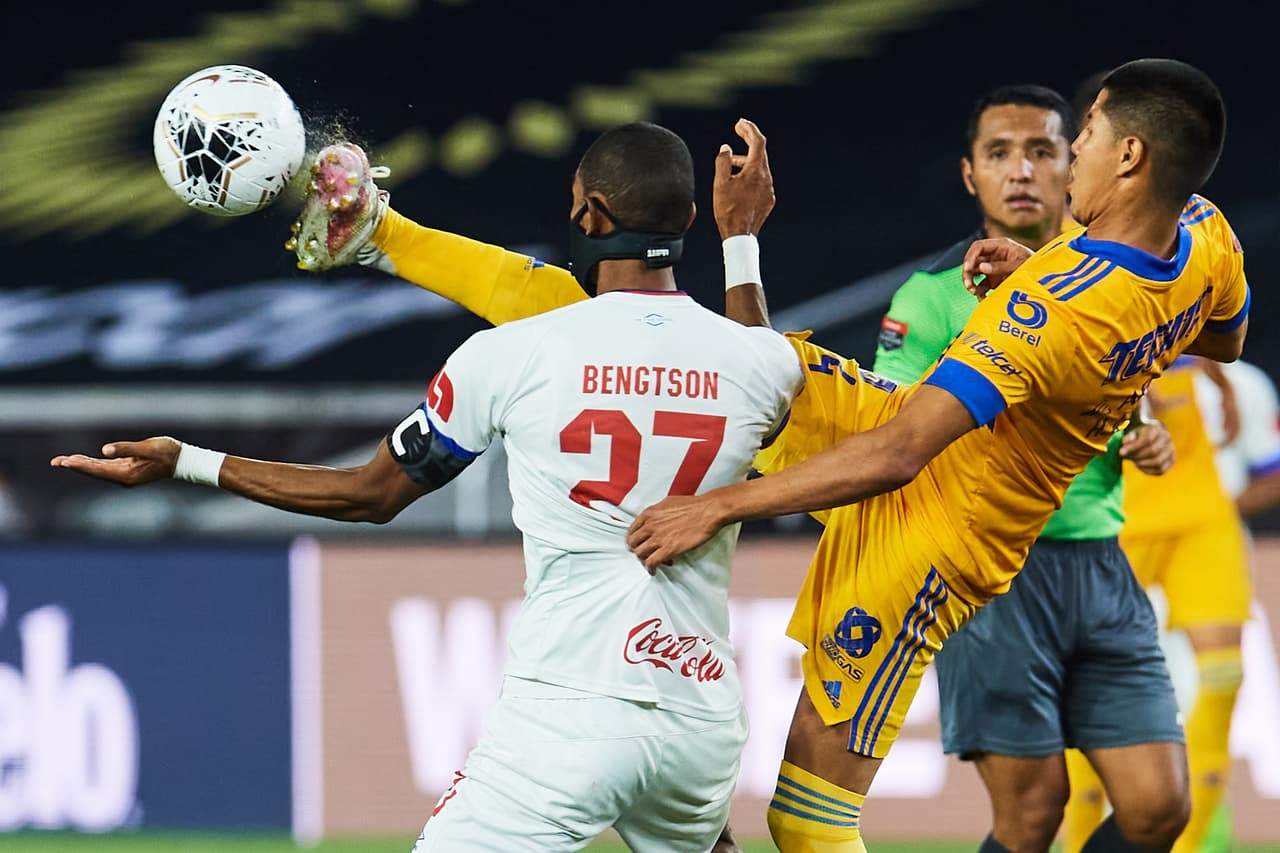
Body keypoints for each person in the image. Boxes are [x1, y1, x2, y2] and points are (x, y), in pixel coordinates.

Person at [51, 122, 806, 853]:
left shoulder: (510, 353)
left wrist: (186, 458)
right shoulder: (760, 364)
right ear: (690, 220)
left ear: (590, 213)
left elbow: (368, 494)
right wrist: (741, 243)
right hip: (701, 721)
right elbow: (758, 370)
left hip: (571, 714)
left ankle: (385, 231)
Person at [625, 58, 1248, 853]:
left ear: (1127, 157)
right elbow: (1222, 335)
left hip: (946, 536)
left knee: (813, 822)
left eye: (1079, 136)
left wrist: (714, 504)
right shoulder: (1202, 230)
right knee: (1024, 813)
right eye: (1003, 153)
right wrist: (1071, 289)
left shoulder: (1051, 309)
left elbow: (898, 449)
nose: (1057, 165)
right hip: (964, 515)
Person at [872, 83, 1187, 853]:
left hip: (1103, 566)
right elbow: (889, 430)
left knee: (1159, 807)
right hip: (994, 577)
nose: (1021, 171)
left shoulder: (1114, 284)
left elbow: (1106, 400)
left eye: (1042, 150)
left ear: (1075, 163)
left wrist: (1143, 436)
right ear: (969, 175)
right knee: (1033, 812)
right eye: (999, 153)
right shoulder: (933, 296)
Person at [1065, 357, 1280, 853]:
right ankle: (1080, 839)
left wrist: (1220, 380)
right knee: (1089, 681)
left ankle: (1194, 843)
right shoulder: (1096, 357)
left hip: (1203, 527)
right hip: (1119, 525)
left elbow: (1268, 470)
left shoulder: (1237, 377)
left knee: (1219, 680)